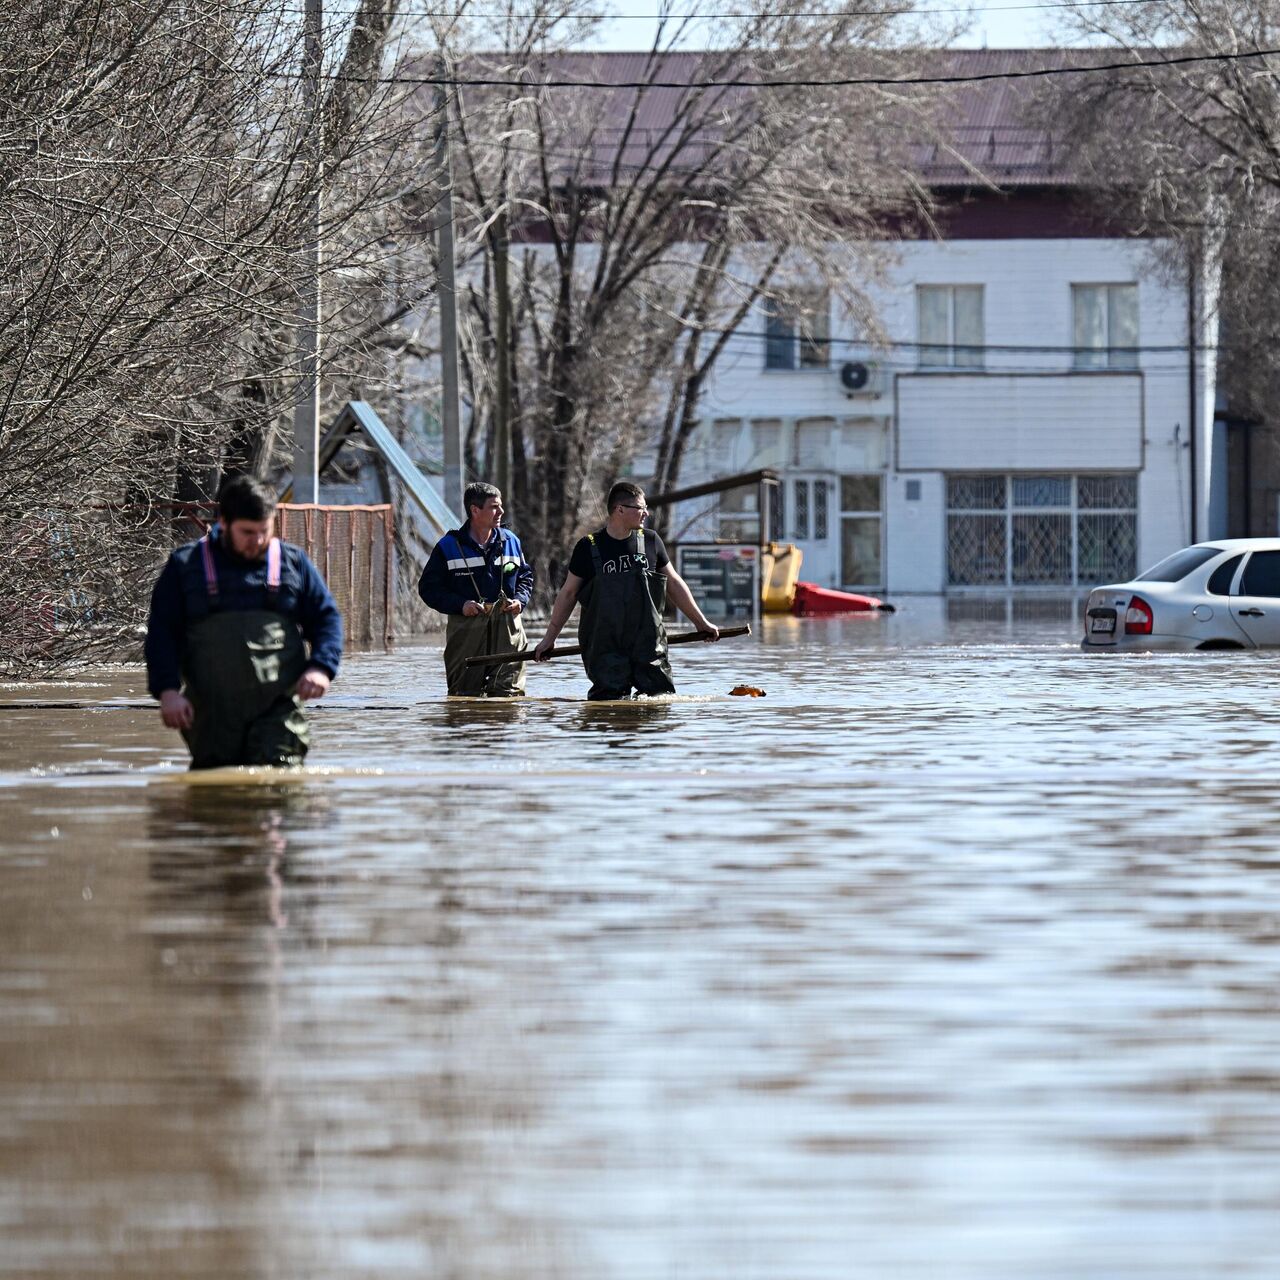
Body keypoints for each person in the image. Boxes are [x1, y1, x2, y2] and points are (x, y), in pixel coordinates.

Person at [145, 475, 343, 769]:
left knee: (277, 786)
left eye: (265, 530)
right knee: (215, 795)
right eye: (247, 532)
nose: (258, 541)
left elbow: (327, 619)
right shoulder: (186, 566)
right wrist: (168, 691)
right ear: (223, 522)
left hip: (278, 711)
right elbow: (162, 634)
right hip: (211, 714)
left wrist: (321, 668)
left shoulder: (293, 563)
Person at [534, 481, 719, 700]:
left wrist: (701, 622)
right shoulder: (589, 546)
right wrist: (549, 638)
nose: (646, 514)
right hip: (605, 647)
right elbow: (568, 594)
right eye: (640, 508)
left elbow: (675, 585)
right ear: (620, 509)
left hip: (649, 644)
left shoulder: (651, 541)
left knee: (658, 702)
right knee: (607, 706)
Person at [417, 482, 535, 696]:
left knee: (509, 698)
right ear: (475, 510)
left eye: (500, 506)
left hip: (508, 636)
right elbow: (428, 589)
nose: (501, 511)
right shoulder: (448, 546)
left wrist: (520, 600)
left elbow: (526, 578)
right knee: (463, 696)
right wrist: (461, 605)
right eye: (494, 507)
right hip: (466, 637)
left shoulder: (511, 541)